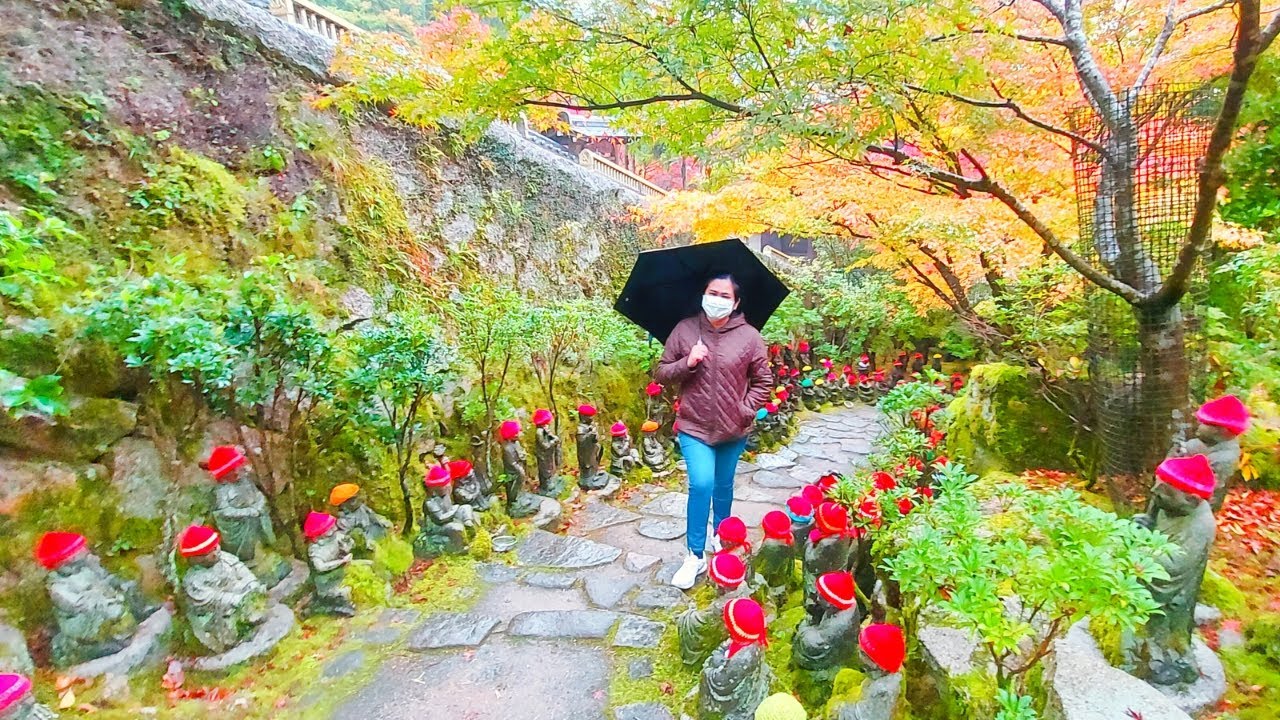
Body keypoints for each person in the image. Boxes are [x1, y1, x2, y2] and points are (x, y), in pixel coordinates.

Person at [656, 274, 773, 590]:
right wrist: (688, 362)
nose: (717, 299)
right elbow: (662, 372)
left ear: (735, 303)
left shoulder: (750, 337)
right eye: (712, 292)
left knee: (723, 486)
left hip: (733, 429)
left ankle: (722, 539)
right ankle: (694, 555)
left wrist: (744, 410)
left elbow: (764, 382)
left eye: (725, 295)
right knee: (702, 483)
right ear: (703, 295)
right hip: (694, 426)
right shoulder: (685, 330)